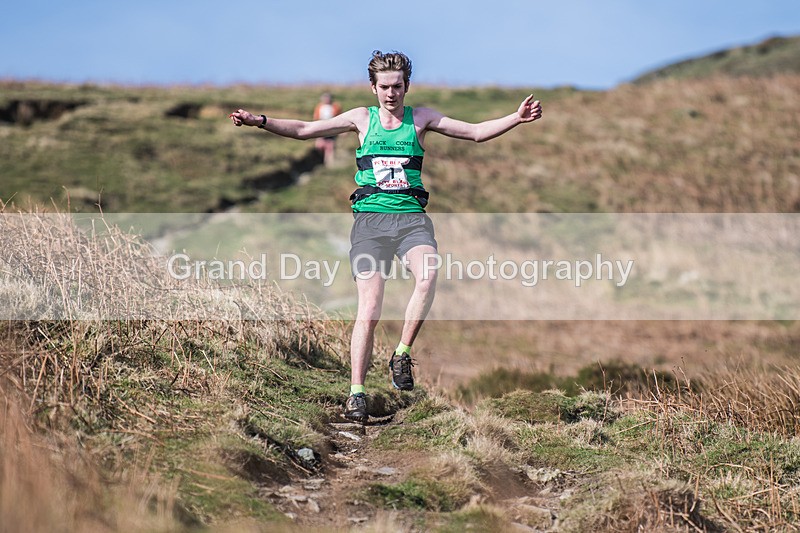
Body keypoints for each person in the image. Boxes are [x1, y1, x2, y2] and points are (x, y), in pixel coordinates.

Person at [229, 50, 542, 423]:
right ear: (373, 88)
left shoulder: (422, 118)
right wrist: (258, 121)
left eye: (397, 86)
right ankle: (357, 393)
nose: (391, 94)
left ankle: (402, 354)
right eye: (384, 87)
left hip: (411, 220)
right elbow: (303, 130)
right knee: (370, 309)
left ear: (406, 86)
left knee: (428, 277)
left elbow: (474, 133)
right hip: (370, 225)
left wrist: (516, 118)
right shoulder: (361, 119)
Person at [313, 93, 342, 165]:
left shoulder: (335, 107)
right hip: (320, 127)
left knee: (330, 146)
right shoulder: (319, 107)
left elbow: (340, 117)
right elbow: (316, 117)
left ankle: (328, 163)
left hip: (331, 128)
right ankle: (319, 161)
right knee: (319, 145)